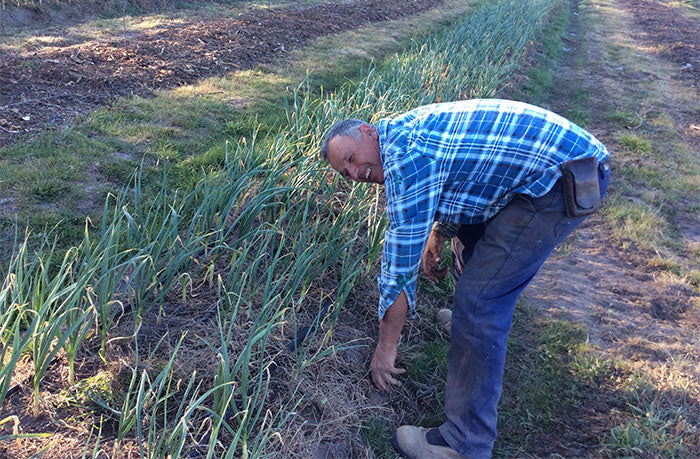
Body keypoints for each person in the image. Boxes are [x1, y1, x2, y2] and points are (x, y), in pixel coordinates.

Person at [319, 99, 610, 459]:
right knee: (470, 239)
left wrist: (385, 348)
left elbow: (397, 270)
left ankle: (464, 442)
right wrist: (440, 232)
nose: (355, 173)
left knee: (480, 301)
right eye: (345, 174)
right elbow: (464, 181)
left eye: (350, 159)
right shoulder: (399, 135)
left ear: (366, 132)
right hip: (551, 165)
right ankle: (466, 327)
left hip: (561, 178)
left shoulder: (404, 160)